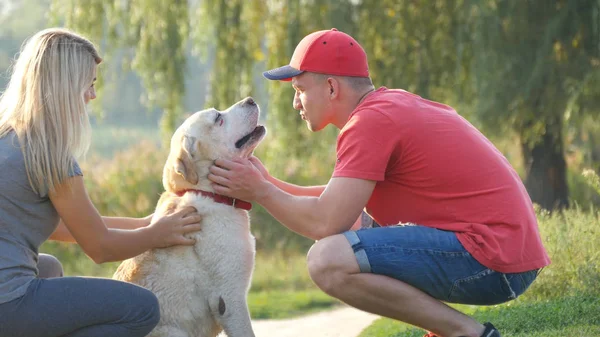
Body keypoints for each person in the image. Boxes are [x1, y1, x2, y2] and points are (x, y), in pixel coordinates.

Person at [207, 28, 550, 337]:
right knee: (357, 234)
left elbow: (326, 222)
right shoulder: (385, 108)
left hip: (493, 258)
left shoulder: (370, 123)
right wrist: (266, 181)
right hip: (506, 254)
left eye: (299, 89)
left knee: (326, 260)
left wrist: (260, 191)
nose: (295, 102)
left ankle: (465, 333)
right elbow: (338, 205)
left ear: (331, 87)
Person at [0, 28, 203, 337]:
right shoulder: (50, 154)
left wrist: (146, 223)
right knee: (142, 307)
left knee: (49, 267)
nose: (92, 96)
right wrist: (158, 235)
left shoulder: (10, 138)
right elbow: (100, 247)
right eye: (89, 84)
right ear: (67, 85)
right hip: (8, 302)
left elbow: (64, 227)